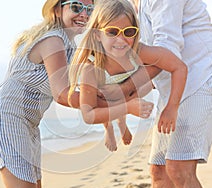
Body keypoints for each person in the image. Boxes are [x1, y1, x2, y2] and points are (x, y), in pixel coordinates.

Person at [0, 0, 96, 188]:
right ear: (58, 9)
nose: (84, 14)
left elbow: (95, 77)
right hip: (6, 118)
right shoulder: (53, 41)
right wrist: (113, 104)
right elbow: (63, 94)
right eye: (76, 7)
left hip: (29, 124)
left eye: (90, 9)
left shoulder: (68, 46)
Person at [131, 0, 212, 188]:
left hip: (202, 79)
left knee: (179, 168)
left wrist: (123, 88)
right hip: (173, 89)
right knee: (159, 170)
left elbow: (167, 52)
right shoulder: (132, 5)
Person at [68, 0, 188, 154]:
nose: (121, 39)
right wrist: (128, 108)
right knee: (105, 99)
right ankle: (110, 128)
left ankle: (121, 119)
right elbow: (89, 114)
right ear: (97, 34)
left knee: (150, 84)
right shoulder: (91, 69)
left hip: (129, 83)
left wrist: (172, 107)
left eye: (128, 32)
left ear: (136, 33)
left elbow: (179, 67)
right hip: (104, 90)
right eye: (112, 32)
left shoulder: (137, 51)